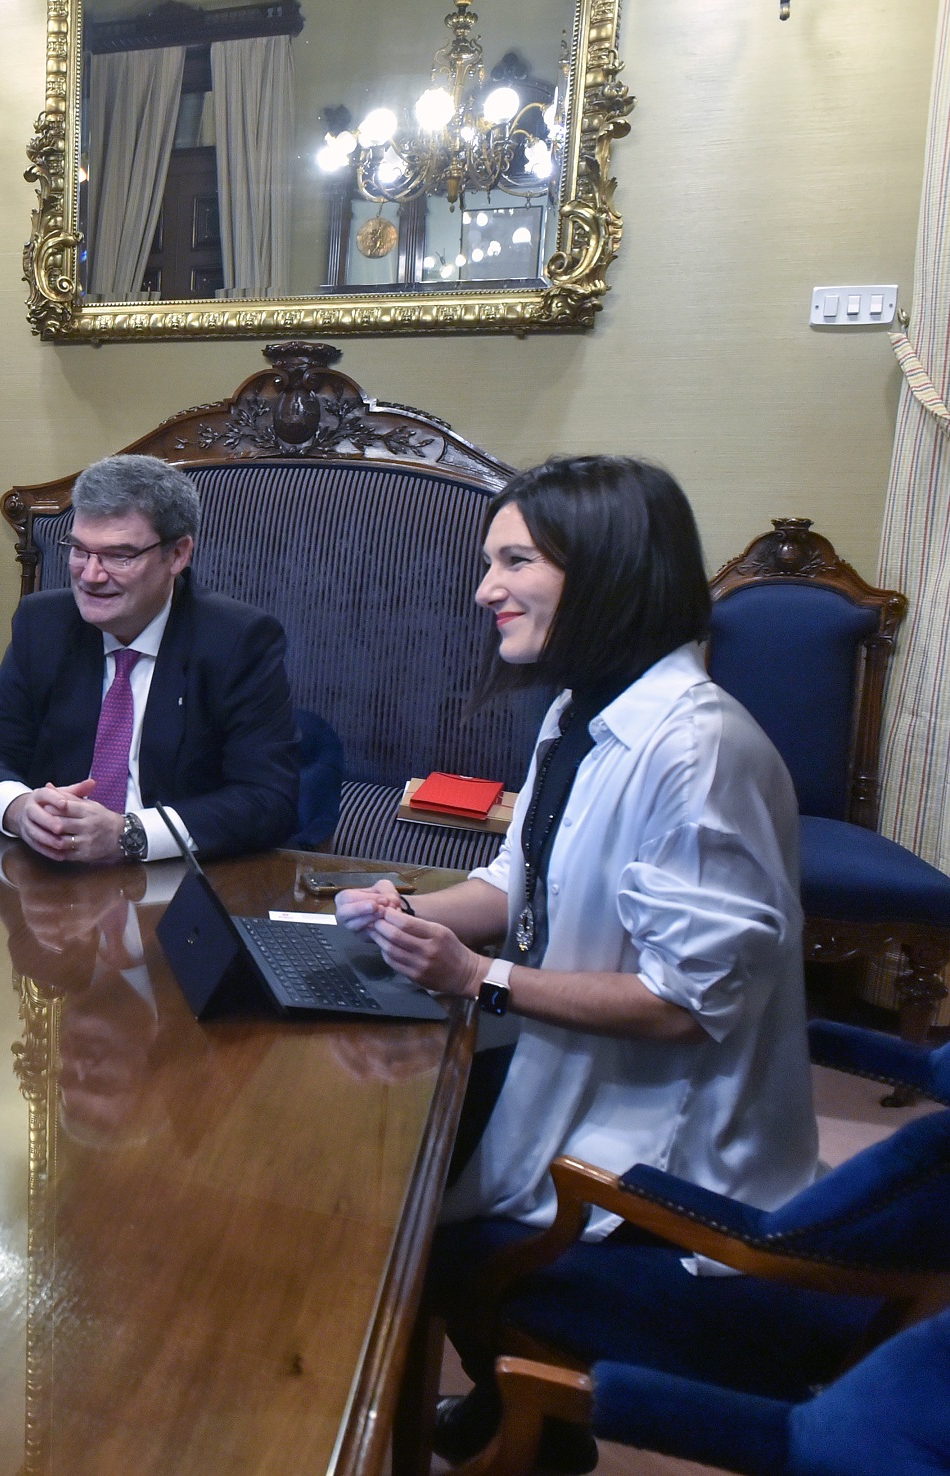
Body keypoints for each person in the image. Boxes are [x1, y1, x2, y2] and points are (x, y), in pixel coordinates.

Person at [332, 456, 816, 1468]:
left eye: (514, 560)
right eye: (487, 561)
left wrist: (476, 978)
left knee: (408, 1211)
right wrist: (407, 909)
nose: (483, 589)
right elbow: (517, 884)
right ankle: (515, 1405)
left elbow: (682, 1004)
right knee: (385, 1122)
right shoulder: (576, 713)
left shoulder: (697, 750)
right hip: (573, 1063)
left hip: (670, 1152)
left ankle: (533, 1423)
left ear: (605, 571)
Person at [0, 454, 300, 864]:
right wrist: (20, 809)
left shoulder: (237, 640)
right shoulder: (41, 624)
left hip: (177, 886)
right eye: (80, 550)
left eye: (120, 556)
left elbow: (268, 800)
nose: (91, 576)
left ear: (177, 555)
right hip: (49, 875)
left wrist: (129, 833)